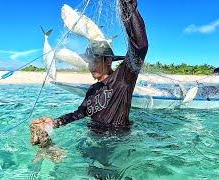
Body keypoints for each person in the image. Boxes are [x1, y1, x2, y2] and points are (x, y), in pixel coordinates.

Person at [31, 0, 148, 133]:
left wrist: (127, 4)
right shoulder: (92, 90)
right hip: (92, 142)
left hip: (115, 142)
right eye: (89, 61)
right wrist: (55, 122)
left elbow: (140, 47)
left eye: (94, 60)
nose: (90, 65)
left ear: (108, 61)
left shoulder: (123, 78)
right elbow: (79, 113)